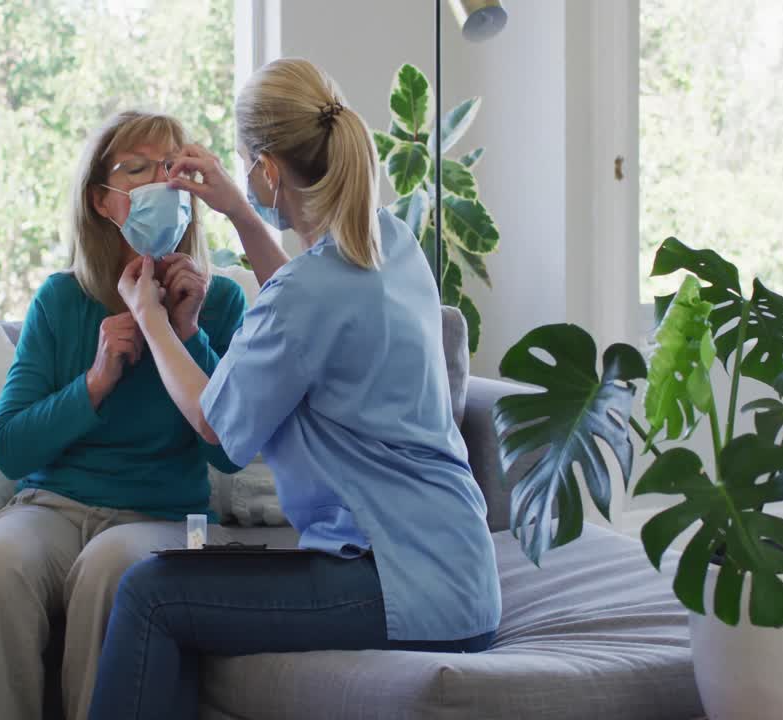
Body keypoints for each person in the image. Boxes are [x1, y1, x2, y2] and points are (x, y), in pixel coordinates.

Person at [88, 58, 502, 719]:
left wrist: (150, 318)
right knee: (187, 575)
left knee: (152, 594)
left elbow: (214, 421)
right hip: (459, 575)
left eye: (246, 163)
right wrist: (241, 216)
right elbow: (305, 303)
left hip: (395, 582)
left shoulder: (311, 292)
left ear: (268, 171)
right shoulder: (389, 240)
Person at [0, 110, 283, 720]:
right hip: (54, 508)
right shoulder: (60, 301)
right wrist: (96, 381)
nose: (161, 184)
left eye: (172, 169)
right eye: (138, 169)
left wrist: (186, 335)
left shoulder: (222, 303)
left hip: (172, 518)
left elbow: (230, 451)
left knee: (112, 567)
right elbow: (9, 446)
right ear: (104, 202)